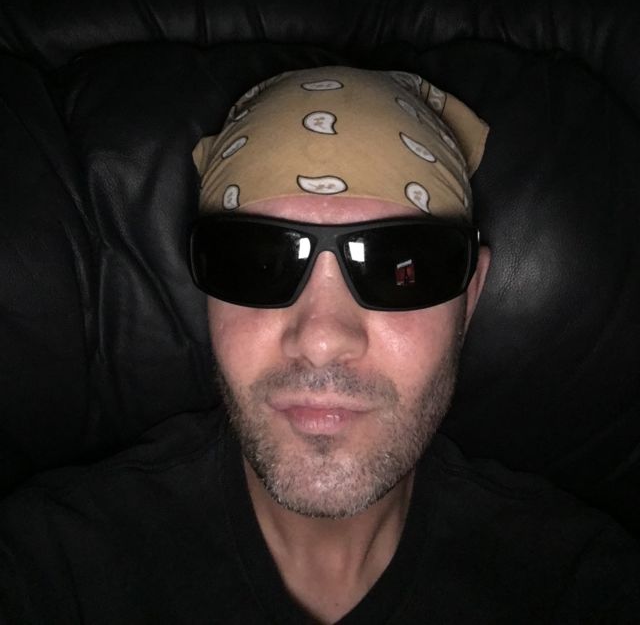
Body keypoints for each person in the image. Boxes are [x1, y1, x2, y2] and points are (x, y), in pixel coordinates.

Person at [0, 66, 638, 624]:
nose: (323, 339)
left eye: (401, 267)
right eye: (258, 263)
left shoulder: (579, 583)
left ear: (468, 300)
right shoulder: (54, 564)